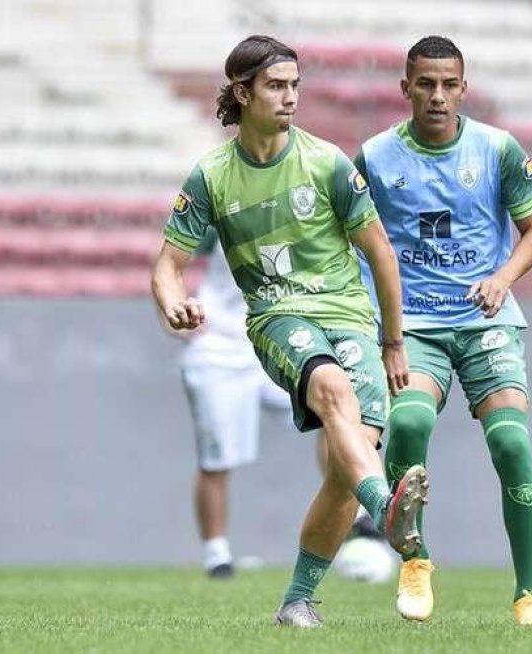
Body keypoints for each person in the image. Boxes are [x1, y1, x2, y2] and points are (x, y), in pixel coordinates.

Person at [151, 34, 429, 628]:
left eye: (295, 85)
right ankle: (386, 510)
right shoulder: (211, 177)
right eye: (276, 86)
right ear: (242, 92)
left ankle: (297, 600)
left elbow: (380, 253)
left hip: (350, 316)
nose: (290, 98)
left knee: (345, 471)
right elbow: (167, 266)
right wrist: (175, 303)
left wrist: (393, 341)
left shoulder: (327, 162)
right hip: (279, 317)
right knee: (333, 395)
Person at [355, 35, 532, 626]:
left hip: (484, 319)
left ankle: (527, 594)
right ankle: (415, 560)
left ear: (463, 88)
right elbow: (350, 239)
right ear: (406, 87)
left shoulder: (497, 150)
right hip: (412, 324)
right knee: (409, 420)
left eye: (448, 84)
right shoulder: (375, 156)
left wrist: (502, 276)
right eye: (425, 84)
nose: (437, 95)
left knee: (512, 443)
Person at [177, 233, 394, 582]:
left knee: (336, 412)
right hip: (220, 344)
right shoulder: (222, 199)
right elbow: (170, 259)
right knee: (216, 458)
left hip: (285, 336)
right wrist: (172, 308)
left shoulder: (312, 200)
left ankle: (360, 513)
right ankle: (217, 556)